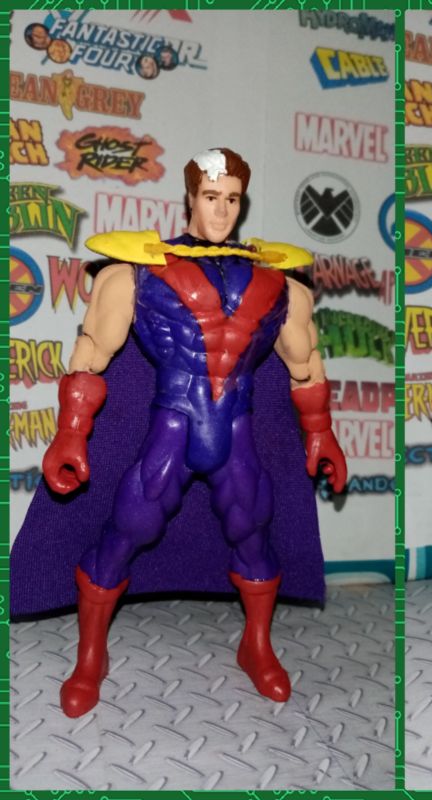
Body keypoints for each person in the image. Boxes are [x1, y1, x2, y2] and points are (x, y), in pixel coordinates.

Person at [39, 147, 346, 716]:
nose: (221, 210)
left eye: (232, 198)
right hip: (173, 427)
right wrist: (70, 434)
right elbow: (91, 354)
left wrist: (321, 432)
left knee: (254, 533)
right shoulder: (135, 274)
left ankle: (256, 646)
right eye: (211, 197)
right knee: (125, 531)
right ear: (190, 198)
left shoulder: (282, 286)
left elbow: (305, 366)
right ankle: (90, 656)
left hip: (237, 429)